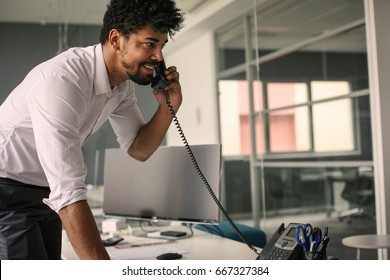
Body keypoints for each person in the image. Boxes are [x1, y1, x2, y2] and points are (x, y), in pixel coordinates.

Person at [0, 0, 184, 260]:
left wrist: (169, 106)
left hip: (45, 191)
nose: (158, 57)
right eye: (149, 44)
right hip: (7, 188)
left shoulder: (121, 87)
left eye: (162, 46)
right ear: (117, 39)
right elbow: (68, 190)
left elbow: (138, 149)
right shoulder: (63, 81)